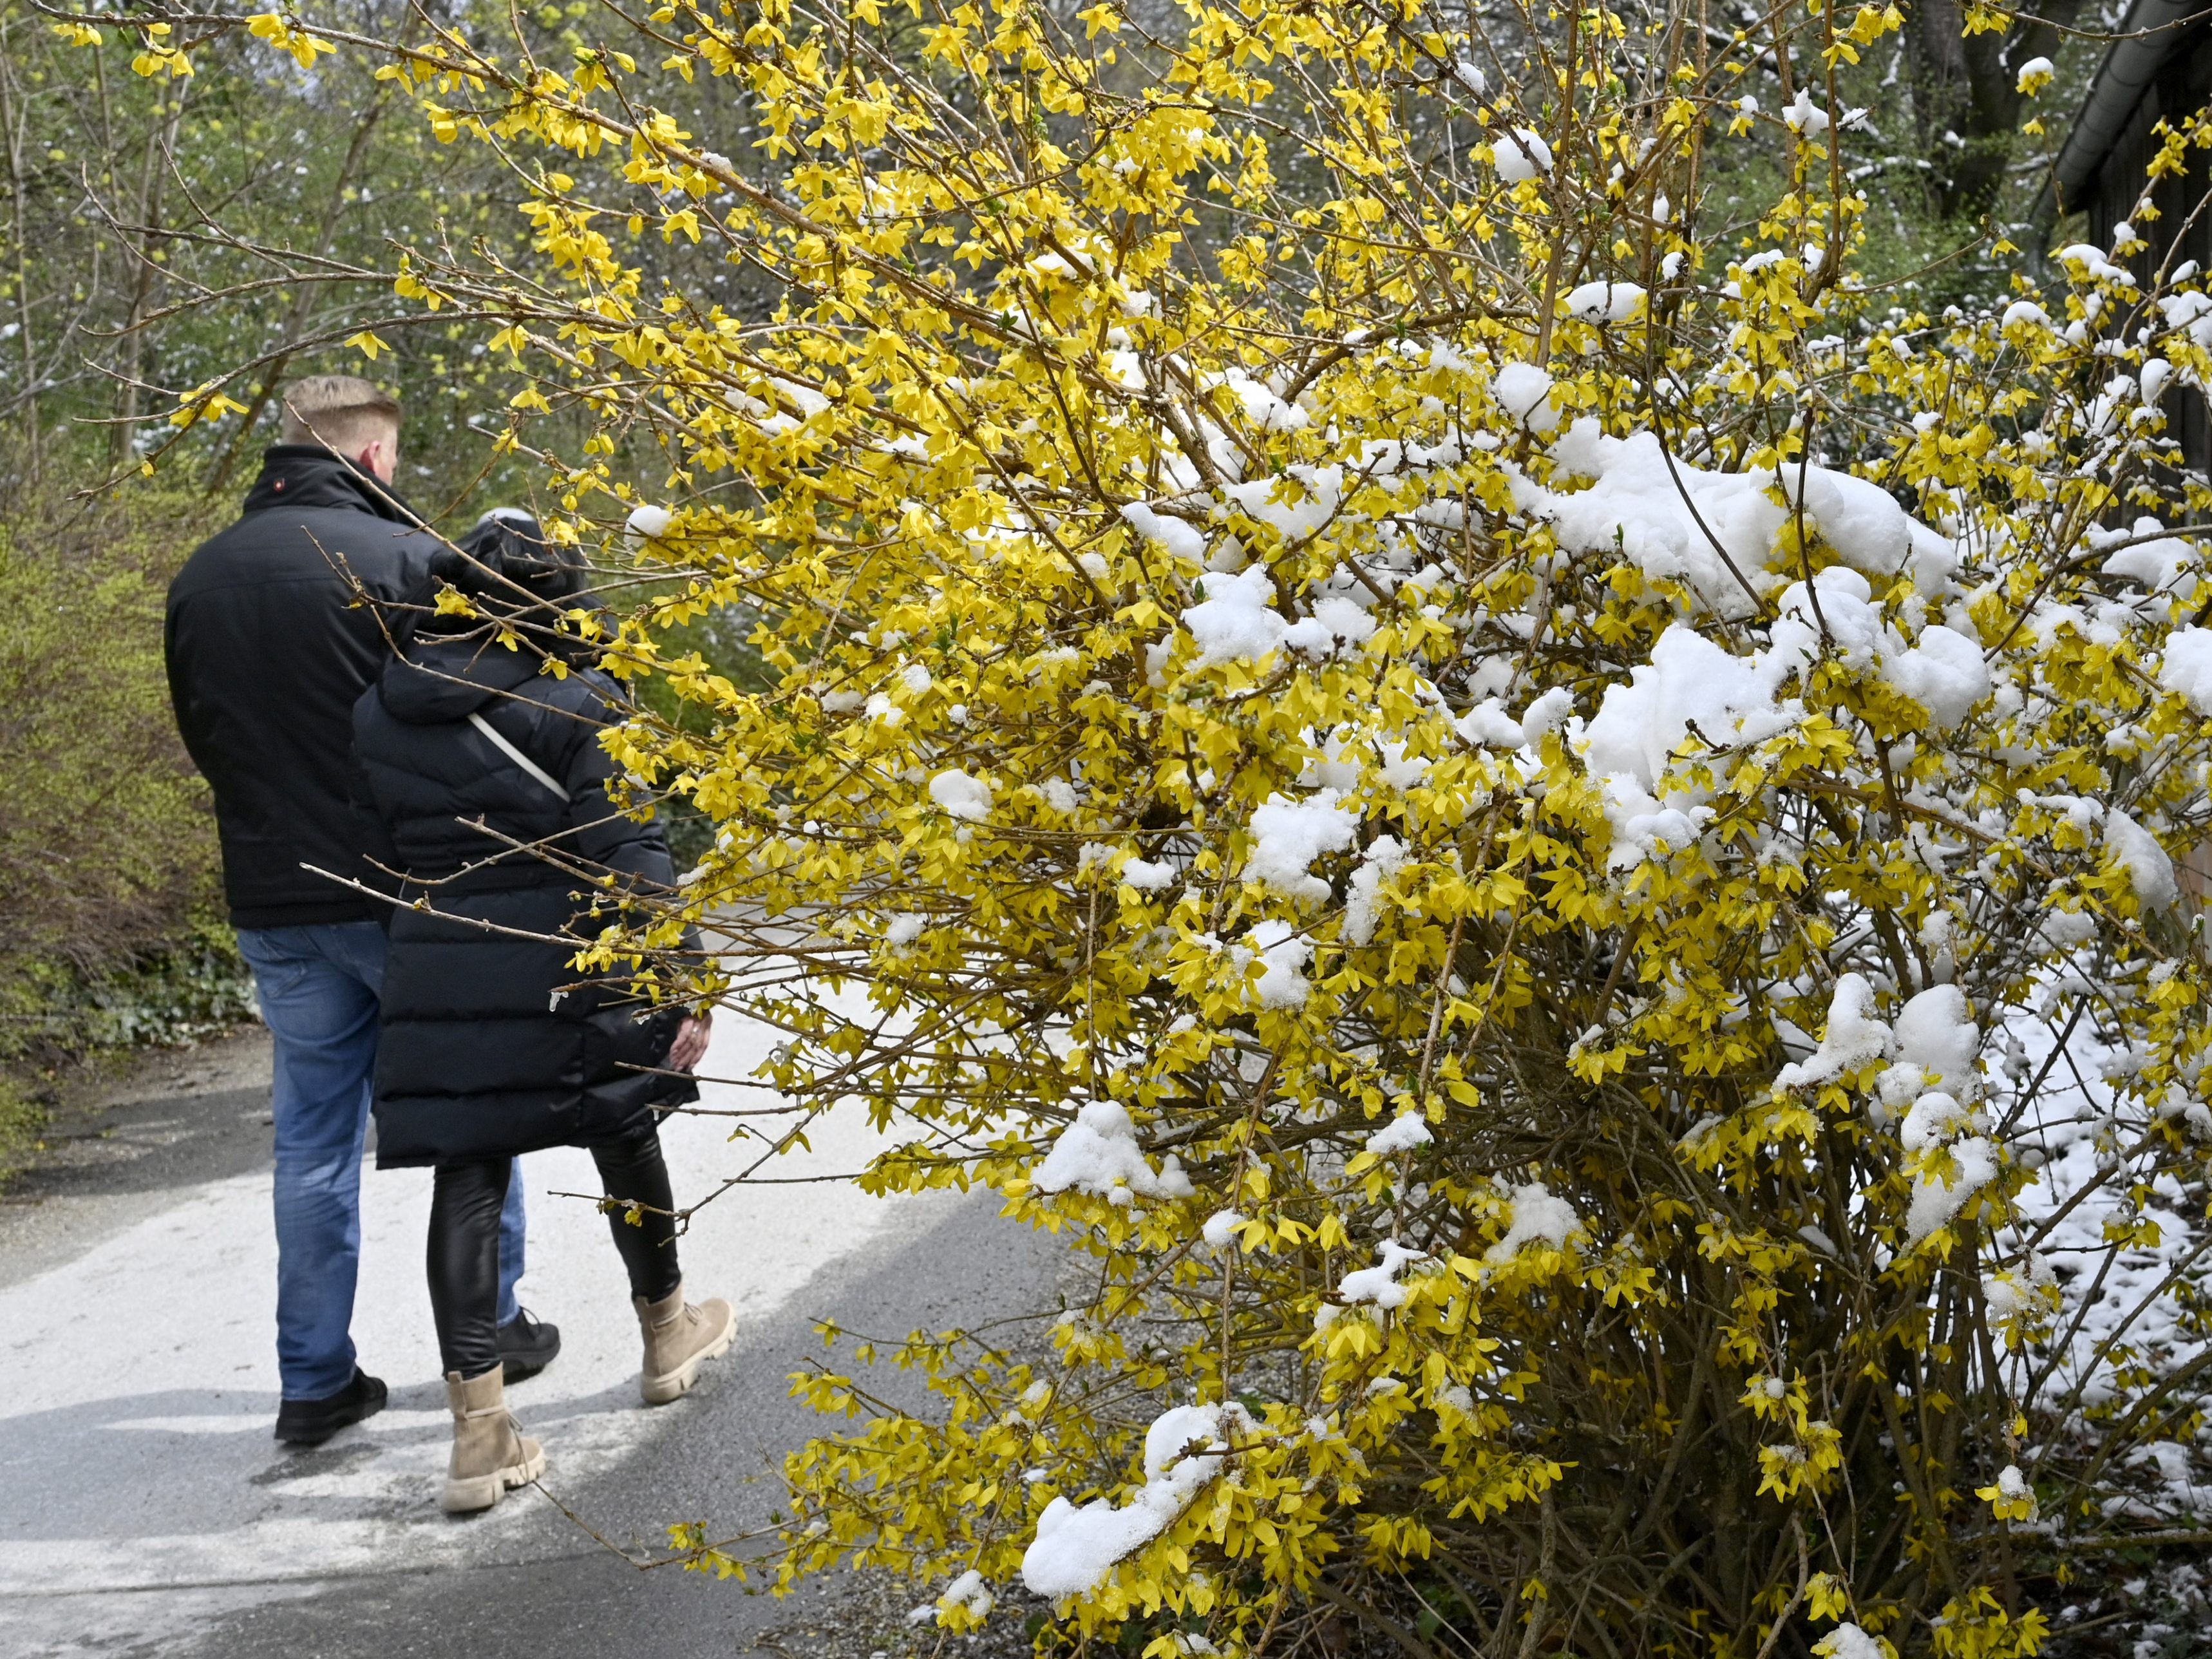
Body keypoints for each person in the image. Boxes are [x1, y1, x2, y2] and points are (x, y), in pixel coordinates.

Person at [165, 377, 557, 1448]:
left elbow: (204, 737)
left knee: (311, 1146)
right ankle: (494, 1328)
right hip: (404, 891)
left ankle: (313, 1381)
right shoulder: (400, 562)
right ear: (374, 458)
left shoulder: (201, 576)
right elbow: (464, 728)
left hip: (273, 893)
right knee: (472, 1109)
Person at [352, 511, 732, 1513]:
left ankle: (478, 1433)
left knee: (468, 1172)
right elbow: (633, 855)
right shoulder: (582, 700)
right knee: (625, 1130)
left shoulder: (378, 709)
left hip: (442, 960)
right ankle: (667, 1334)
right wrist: (685, 982)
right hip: (572, 961)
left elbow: (375, 851)